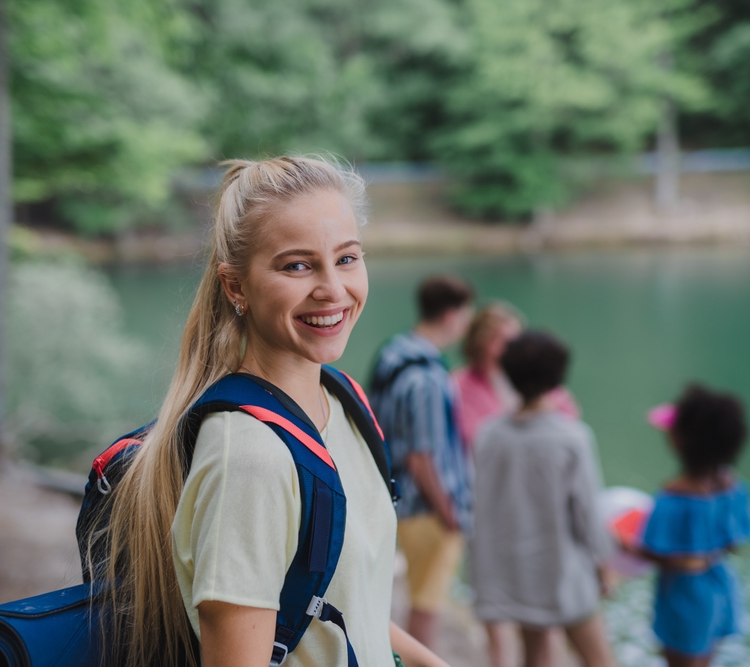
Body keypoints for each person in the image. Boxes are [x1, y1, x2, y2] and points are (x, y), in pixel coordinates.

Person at [95, 156, 449, 667]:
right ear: (235, 286)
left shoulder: (345, 402)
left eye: (347, 258)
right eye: (297, 266)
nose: (332, 289)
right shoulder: (250, 457)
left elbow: (349, 606)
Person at [471, 331, 615, 667]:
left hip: (516, 572)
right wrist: (604, 563)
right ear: (558, 378)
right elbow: (588, 512)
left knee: (533, 656)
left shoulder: (489, 434)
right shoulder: (570, 437)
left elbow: (480, 503)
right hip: (564, 572)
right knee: (599, 659)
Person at [369, 275, 475, 649]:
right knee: (425, 608)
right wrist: (449, 513)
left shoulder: (393, 353)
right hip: (426, 507)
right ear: (450, 315)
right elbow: (422, 457)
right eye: (465, 314)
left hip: (393, 495)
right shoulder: (428, 375)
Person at [631, 384, 750, 667]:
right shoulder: (734, 489)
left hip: (683, 598)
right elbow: (734, 542)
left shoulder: (671, 500)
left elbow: (651, 551)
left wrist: (620, 538)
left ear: (677, 441)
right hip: (720, 586)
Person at [454, 303, 580, 452]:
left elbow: (569, 416)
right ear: (480, 344)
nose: (513, 350)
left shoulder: (534, 375)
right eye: (504, 342)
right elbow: (473, 438)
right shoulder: (460, 385)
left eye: (518, 342)